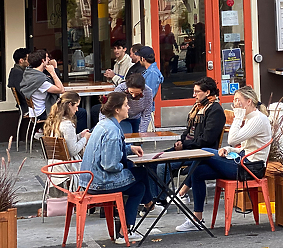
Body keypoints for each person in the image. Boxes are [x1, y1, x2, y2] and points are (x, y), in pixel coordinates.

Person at [174, 86, 271, 232]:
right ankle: (197, 218)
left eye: (238, 100)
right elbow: (243, 147)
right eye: (233, 100)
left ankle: (181, 190)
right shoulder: (251, 118)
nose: (235, 104)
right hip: (242, 161)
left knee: (203, 152)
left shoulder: (258, 119)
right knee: (198, 171)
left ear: (249, 101)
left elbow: (232, 139)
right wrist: (229, 150)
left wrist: (237, 117)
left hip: (250, 168)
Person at [144, 77, 225, 213]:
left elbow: (206, 140)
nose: (194, 95)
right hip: (187, 146)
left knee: (163, 165)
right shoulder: (197, 108)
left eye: (197, 92)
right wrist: (181, 140)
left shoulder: (215, 110)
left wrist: (185, 144)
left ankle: (161, 200)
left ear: (207, 92)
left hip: (198, 151)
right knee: (151, 161)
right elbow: (187, 130)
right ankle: (153, 201)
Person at [79, 92, 150, 244]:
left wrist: (130, 149)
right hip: (100, 181)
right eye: (126, 104)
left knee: (138, 187)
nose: (128, 107)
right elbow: (109, 165)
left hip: (88, 180)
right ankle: (148, 205)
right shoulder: (112, 130)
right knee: (141, 173)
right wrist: (125, 166)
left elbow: (111, 148)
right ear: (117, 109)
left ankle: (126, 229)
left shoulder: (103, 124)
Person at [43, 92, 90, 187]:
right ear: (69, 105)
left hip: (54, 166)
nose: (77, 110)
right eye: (76, 106)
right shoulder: (67, 124)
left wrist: (80, 136)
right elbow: (73, 151)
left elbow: (65, 143)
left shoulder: (54, 121)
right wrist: (85, 138)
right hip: (68, 167)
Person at [20, 49, 65, 121]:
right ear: (42, 60)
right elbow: (61, 90)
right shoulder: (39, 80)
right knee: (80, 113)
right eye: (47, 57)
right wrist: (53, 72)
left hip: (34, 111)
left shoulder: (29, 73)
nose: (49, 59)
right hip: (43, 112)